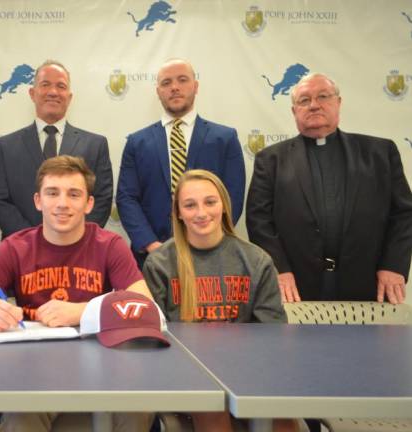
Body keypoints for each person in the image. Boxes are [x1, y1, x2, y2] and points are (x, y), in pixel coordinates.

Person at [0, 155, 153, 432]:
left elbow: (145, 306)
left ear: (89, 204)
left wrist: (82, 311)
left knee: (136, 412)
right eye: (52, 193)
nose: (62, 203)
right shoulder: (15, 248)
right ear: (38, 201)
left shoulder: (110, 245)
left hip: (103, 365)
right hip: (34, 368)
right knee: (20, 420)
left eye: (74, 194)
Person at [143, 169, 295, 432]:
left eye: (210, 202)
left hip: (248, 372)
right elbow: (155, 338)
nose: (201, 213)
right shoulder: (160, 263)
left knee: (281, 421)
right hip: (188, 374)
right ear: (178, 213)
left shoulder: (256, 260)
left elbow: (273, 335)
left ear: (223, 205)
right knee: (213, 412)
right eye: (190, 205)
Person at [246, 72, 412, 304]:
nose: (314, 105)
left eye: (323, 96)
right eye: (304, 100)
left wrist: (394, 265)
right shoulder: (271, 160)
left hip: (369, 282)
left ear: (338, 103)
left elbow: (404, 214)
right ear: (294, 111)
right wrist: (278, 269)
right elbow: (259, 220)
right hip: (295, 287)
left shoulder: (380, 153)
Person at [116, 58, 245, 267]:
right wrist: (152, 245)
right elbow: (126, 197)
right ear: (158, 91)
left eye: (182, 80)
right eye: (166, 83)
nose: (174, 87)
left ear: (196, 86)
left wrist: (207, 241)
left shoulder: (225, 139)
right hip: (152, 258)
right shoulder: (136, 142)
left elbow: (233, 196)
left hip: (211, 256)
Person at [0, 59, 113, 238]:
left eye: (61, 86)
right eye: (45, 84)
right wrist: (33, 241)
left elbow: (101, 200)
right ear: (32, 93)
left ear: (69, 97)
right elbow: (0, 202)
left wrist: (73, 239)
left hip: (77, 252)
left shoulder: (96, 145)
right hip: (21, 252)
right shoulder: (5, 146)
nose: (53, 92)